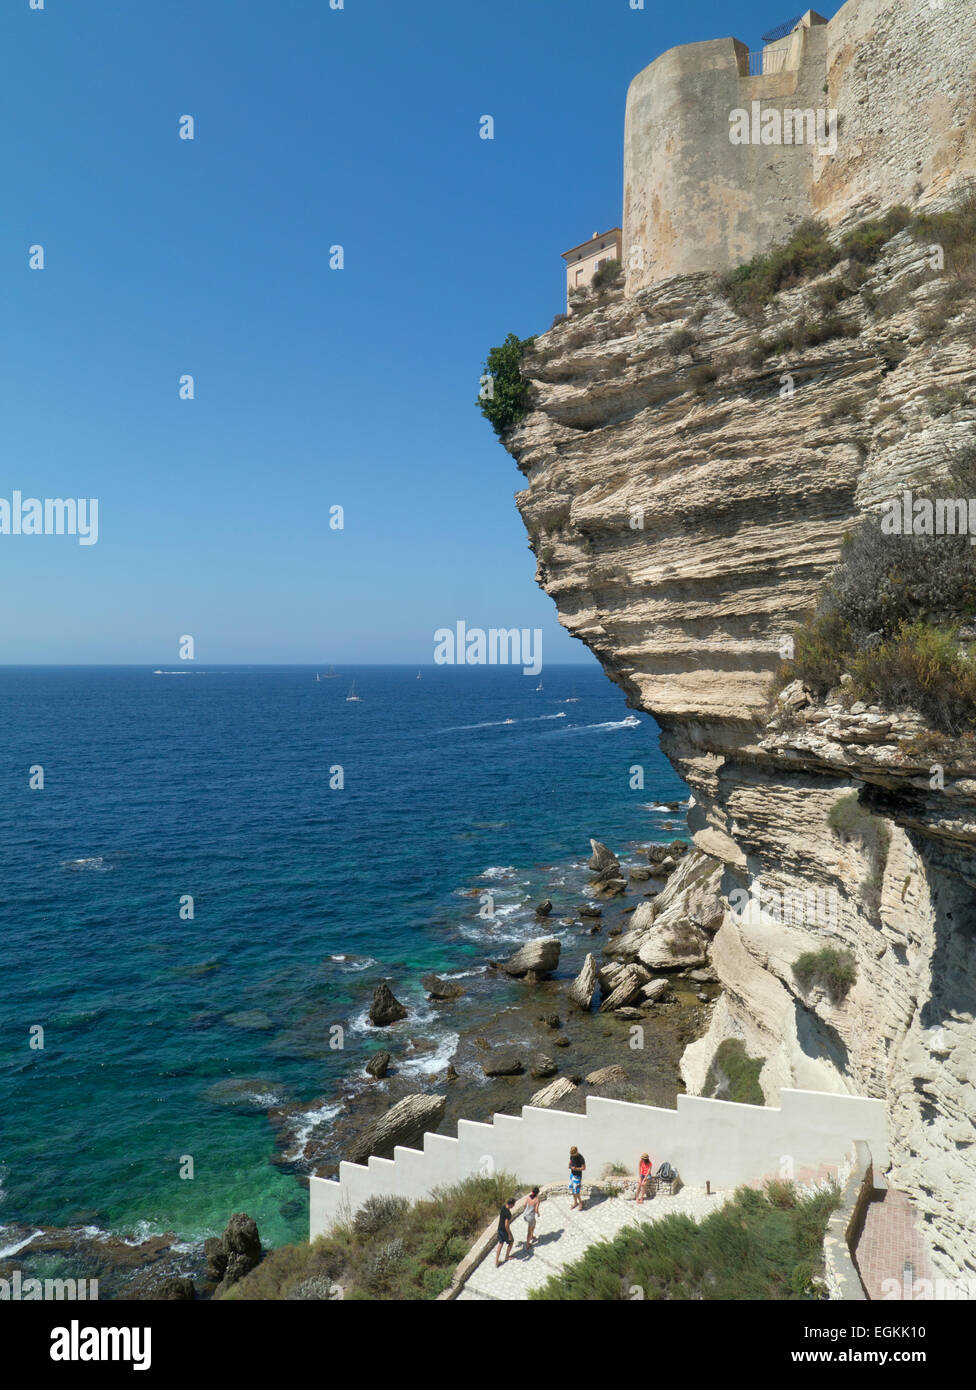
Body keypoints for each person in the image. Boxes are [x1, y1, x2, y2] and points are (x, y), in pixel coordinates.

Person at [495, 1197, 515, 1265]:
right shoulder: (508, 1213)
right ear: (511, 1204)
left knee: (500, 1244)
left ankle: (496, 1261)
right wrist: (509, 1234)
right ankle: (506, 1257)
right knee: (511, 1242)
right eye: (513, 1204)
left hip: (499, 1228)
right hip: (504, 1230)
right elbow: (506, 1225)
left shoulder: (503, 1207)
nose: (514, 1206)